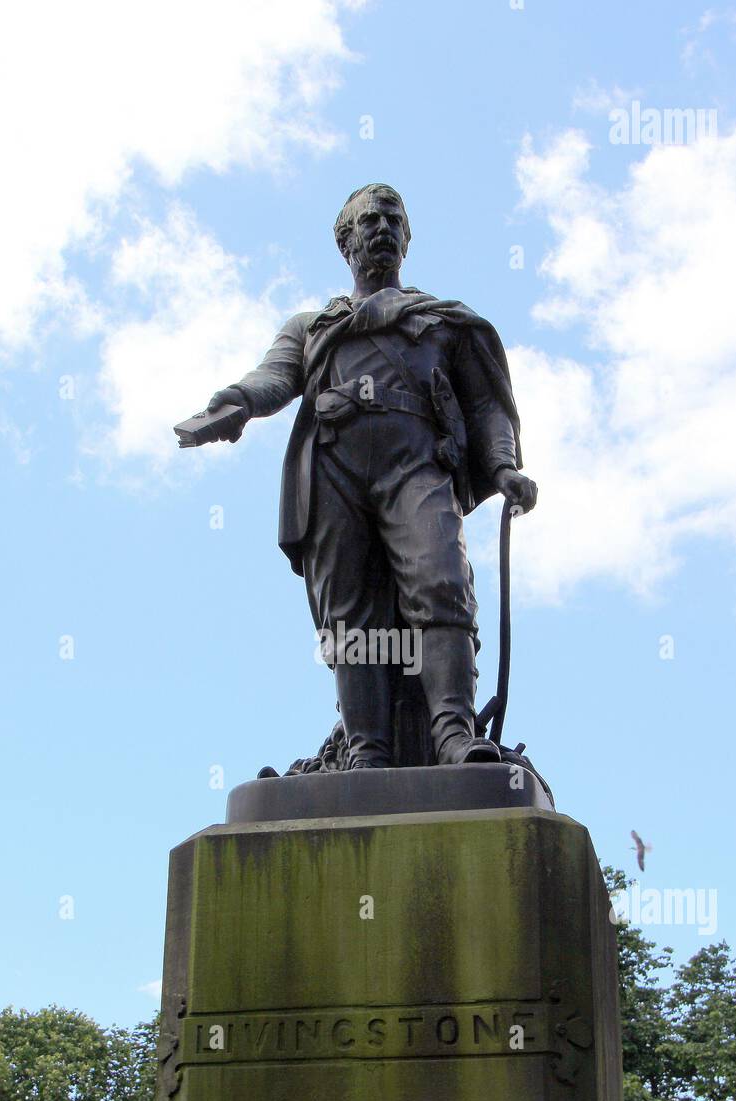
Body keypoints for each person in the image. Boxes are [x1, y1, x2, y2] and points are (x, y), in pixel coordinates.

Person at [207, 183, 537, 768]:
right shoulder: (312, 327)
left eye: (393, 219)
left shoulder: (442, 322)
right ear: (345, 241)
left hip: (416, 464)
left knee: (441, 582)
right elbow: (276, 378)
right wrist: (236, 401)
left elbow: (487, 405)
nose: (382, 228)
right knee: (348, 614)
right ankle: (368, 750)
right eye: (368, 220)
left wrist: (504, 466)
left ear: (407, 237)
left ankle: (454, 736)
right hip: (334, 469)